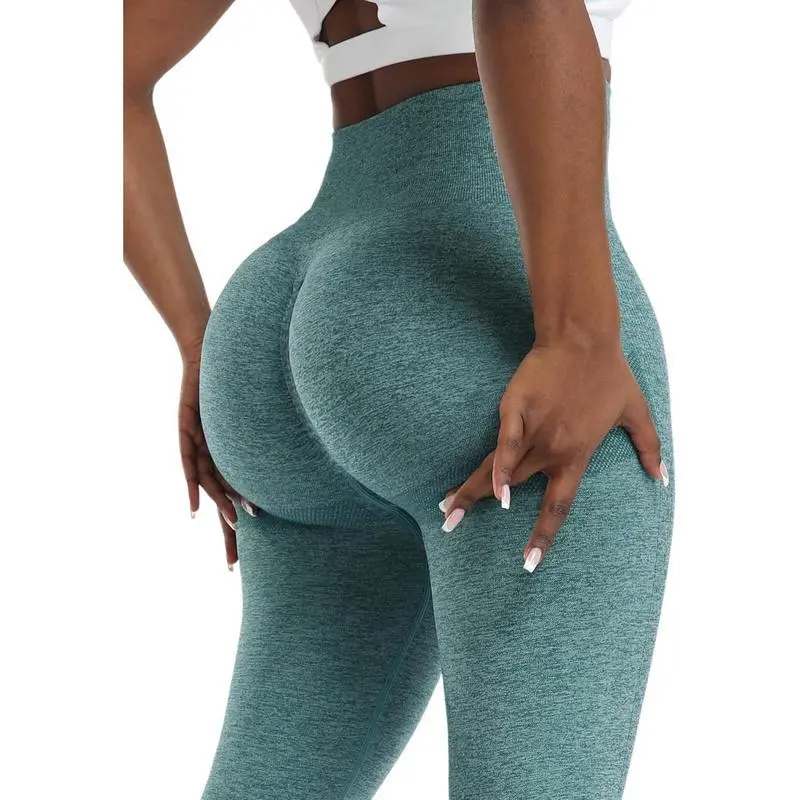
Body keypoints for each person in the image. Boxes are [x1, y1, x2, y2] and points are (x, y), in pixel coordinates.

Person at [123, 0, 675, 797]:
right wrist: (577, 336)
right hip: (478, 300)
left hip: (282, 307)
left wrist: (197, 343)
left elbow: (100, 75)